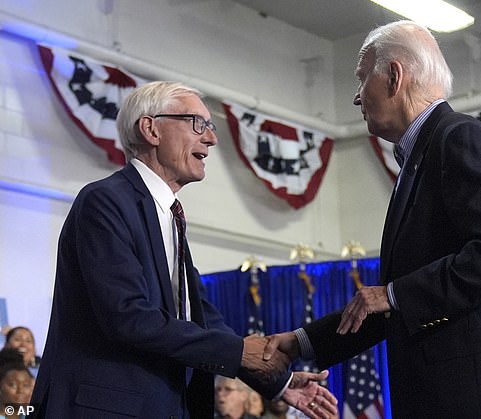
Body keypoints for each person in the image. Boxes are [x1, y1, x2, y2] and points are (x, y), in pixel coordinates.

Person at [265, 20, 481, 418]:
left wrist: (391, 295)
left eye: (361, 77)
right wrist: (300, 342)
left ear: (394, 76)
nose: (356, 97)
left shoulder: (459, 138)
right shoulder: (421, 157)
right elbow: (391, 303)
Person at [29, 81, 338, 419]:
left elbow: (198, 316)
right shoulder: (105, 201)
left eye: (210, 125)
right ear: (150, 129)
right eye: (197, 123)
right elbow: (127, 316)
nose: (211, 138)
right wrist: (239, 351)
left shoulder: (169, 214)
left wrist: (277, 381)